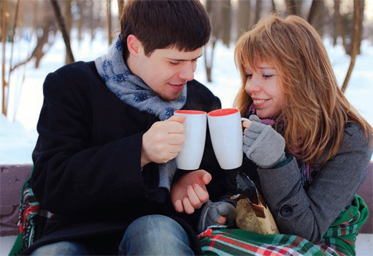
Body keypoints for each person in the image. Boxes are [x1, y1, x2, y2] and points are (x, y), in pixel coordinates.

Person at [20, 1, 237, 255]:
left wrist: (187, 187)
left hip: (161, 229)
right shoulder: (73, 86)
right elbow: (51, 183)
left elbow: (221, 189)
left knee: (155, 236)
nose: (189, 74)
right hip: (77, 230)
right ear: (135, 46)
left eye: (194, 59)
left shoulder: (200, 101)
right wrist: (140, 152)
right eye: (175, 62)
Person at [197, 14, 373, 255]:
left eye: (266, 75)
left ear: (303, 77)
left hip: (322, 244)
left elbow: (307, 232)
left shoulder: (350, 139)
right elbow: (242, 190)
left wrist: (275, 163)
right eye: (249, 75)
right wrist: (227, 208)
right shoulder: (250, 122)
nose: (250, 87)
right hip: (255, 238)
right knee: (208, 244)